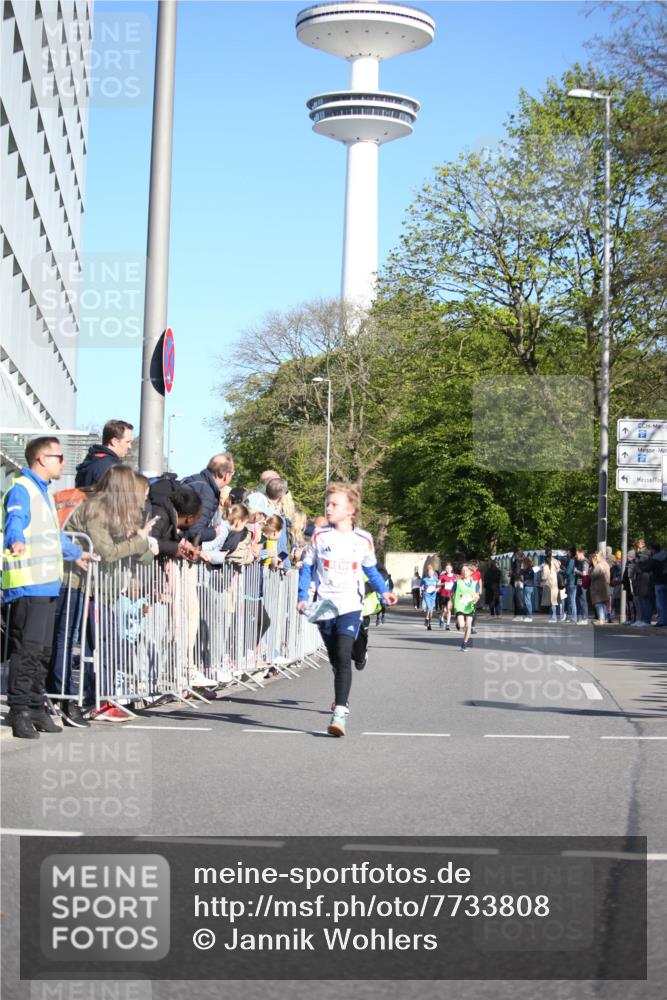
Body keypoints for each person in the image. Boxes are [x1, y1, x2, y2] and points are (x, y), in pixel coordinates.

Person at [2, 437, 93, 738]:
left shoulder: (43, 492)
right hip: (28, 585)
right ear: (41, 459)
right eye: (59, 457)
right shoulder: (22, 489)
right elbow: (15, 520)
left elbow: (54, 536)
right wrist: (15, 539)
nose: (63, 462)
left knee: (42, 651)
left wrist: (76, 553)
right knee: (27, 650)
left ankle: (35, 704)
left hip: (47, 584)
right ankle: (19, 710)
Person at [297, 482, 397, 738]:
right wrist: (302, 597)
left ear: (350, 510)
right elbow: (307, 568)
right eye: (327, 504)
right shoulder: (319, 536)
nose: (328, 508)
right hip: (324, 605)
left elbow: (370, 569)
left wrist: (383, 590)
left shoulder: (363, 539)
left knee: (343, 656)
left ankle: (339, 714)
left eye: (334, 504)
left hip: (351, 604)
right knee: (334, 658)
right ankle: (355, 656)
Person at [67, 466, 159, 722]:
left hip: (106, 591)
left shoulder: (119, 513)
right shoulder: (97, 510)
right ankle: (97, 700)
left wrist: (144, 545)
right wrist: (140, 540)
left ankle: (103, 698)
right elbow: (107, 552)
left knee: (107, 644)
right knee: (100, 645)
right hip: (90, 588)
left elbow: (139, 553)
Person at [181, 453, 235, 544]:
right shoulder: (206, 492)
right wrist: (214, 532)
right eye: (232, 473)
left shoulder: (194, 479)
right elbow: (195, 532)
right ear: (226, 475)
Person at [75, 419, 134, 488]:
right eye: (127, 442)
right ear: (114, 441)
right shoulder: (111, 468)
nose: (130, 446)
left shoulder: (91, 461)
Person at [452, 563, 479, 651]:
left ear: (470, 572)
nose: (464, 572)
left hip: (469, 606)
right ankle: (458, 622)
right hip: (459, 606)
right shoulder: (458, 582)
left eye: (466, 570)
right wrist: (453, 602)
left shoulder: (474, 584)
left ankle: (464, 644)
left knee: (468, 626)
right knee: (462, 625)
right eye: (463, 570)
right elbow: (452, 593)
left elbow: (477, 596)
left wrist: (475, 600)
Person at [645, 542, 667, 627]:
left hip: (659, 582)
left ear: (653, 550)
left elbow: (647, 568)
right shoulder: (665, 555)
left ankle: (662, 621)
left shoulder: (654, 559)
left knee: (660, 603)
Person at [589, 551, 611, 624]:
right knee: (604, 603)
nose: (595, 558)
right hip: (605, 587)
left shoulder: (599, 565)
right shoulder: (606, 564)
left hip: (598, 588)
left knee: (598, 603)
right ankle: (605, 618)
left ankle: (601, 619)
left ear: (601, 556)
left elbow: (592, 576)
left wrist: (594, 565)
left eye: (596, 556)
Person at [540, 549, 561, 623]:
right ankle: (555, 617)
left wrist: (542, 573)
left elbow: (544, 576)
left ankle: (553, 617)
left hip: (549, 584)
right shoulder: (555, 561)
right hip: (555, 583)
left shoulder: (546, 563)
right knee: (554, 601)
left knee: (552, 602)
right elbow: (559, 568)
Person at [573, 547, 590, 624]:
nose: (576, 556)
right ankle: (581, 618)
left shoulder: (585, 561)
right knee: (579, 600)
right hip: (579, 583)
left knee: (583, 600)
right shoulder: (579, 561)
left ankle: (585, 618)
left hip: (583, 584)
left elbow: (584, 573)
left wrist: (576, 571)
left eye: (577, 554)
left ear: (581, 553)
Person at [421, 563, 439, 631]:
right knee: (429, 607)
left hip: (433, 595)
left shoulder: (436, 579)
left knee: (431, 611)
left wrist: (437, 589)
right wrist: (421, 591)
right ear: (427, 573)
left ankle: (429, 623)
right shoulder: (425, 579)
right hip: (427, 594)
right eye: (429, 572)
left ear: (433, 573)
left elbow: (438, 586)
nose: (430, 573)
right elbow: (421, 586)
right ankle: (426, 618)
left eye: (431, 572)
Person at [510, 549, 526, 621]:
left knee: (518, 599)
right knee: (519, 598)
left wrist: (511, 574)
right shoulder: (523, 562)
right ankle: (518, 615)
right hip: (521, 581)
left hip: (518, 581)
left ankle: (519, 615)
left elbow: (517, 572)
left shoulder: (517, 562)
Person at [522, 557, 536, 622]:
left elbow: (527, 577)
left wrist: (523, 572)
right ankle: (528, 615)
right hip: (529, 585)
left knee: (527, 601)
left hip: (528, 585)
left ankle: (529, 616)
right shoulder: (531, 568)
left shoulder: (529, 569)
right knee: (527, 601)